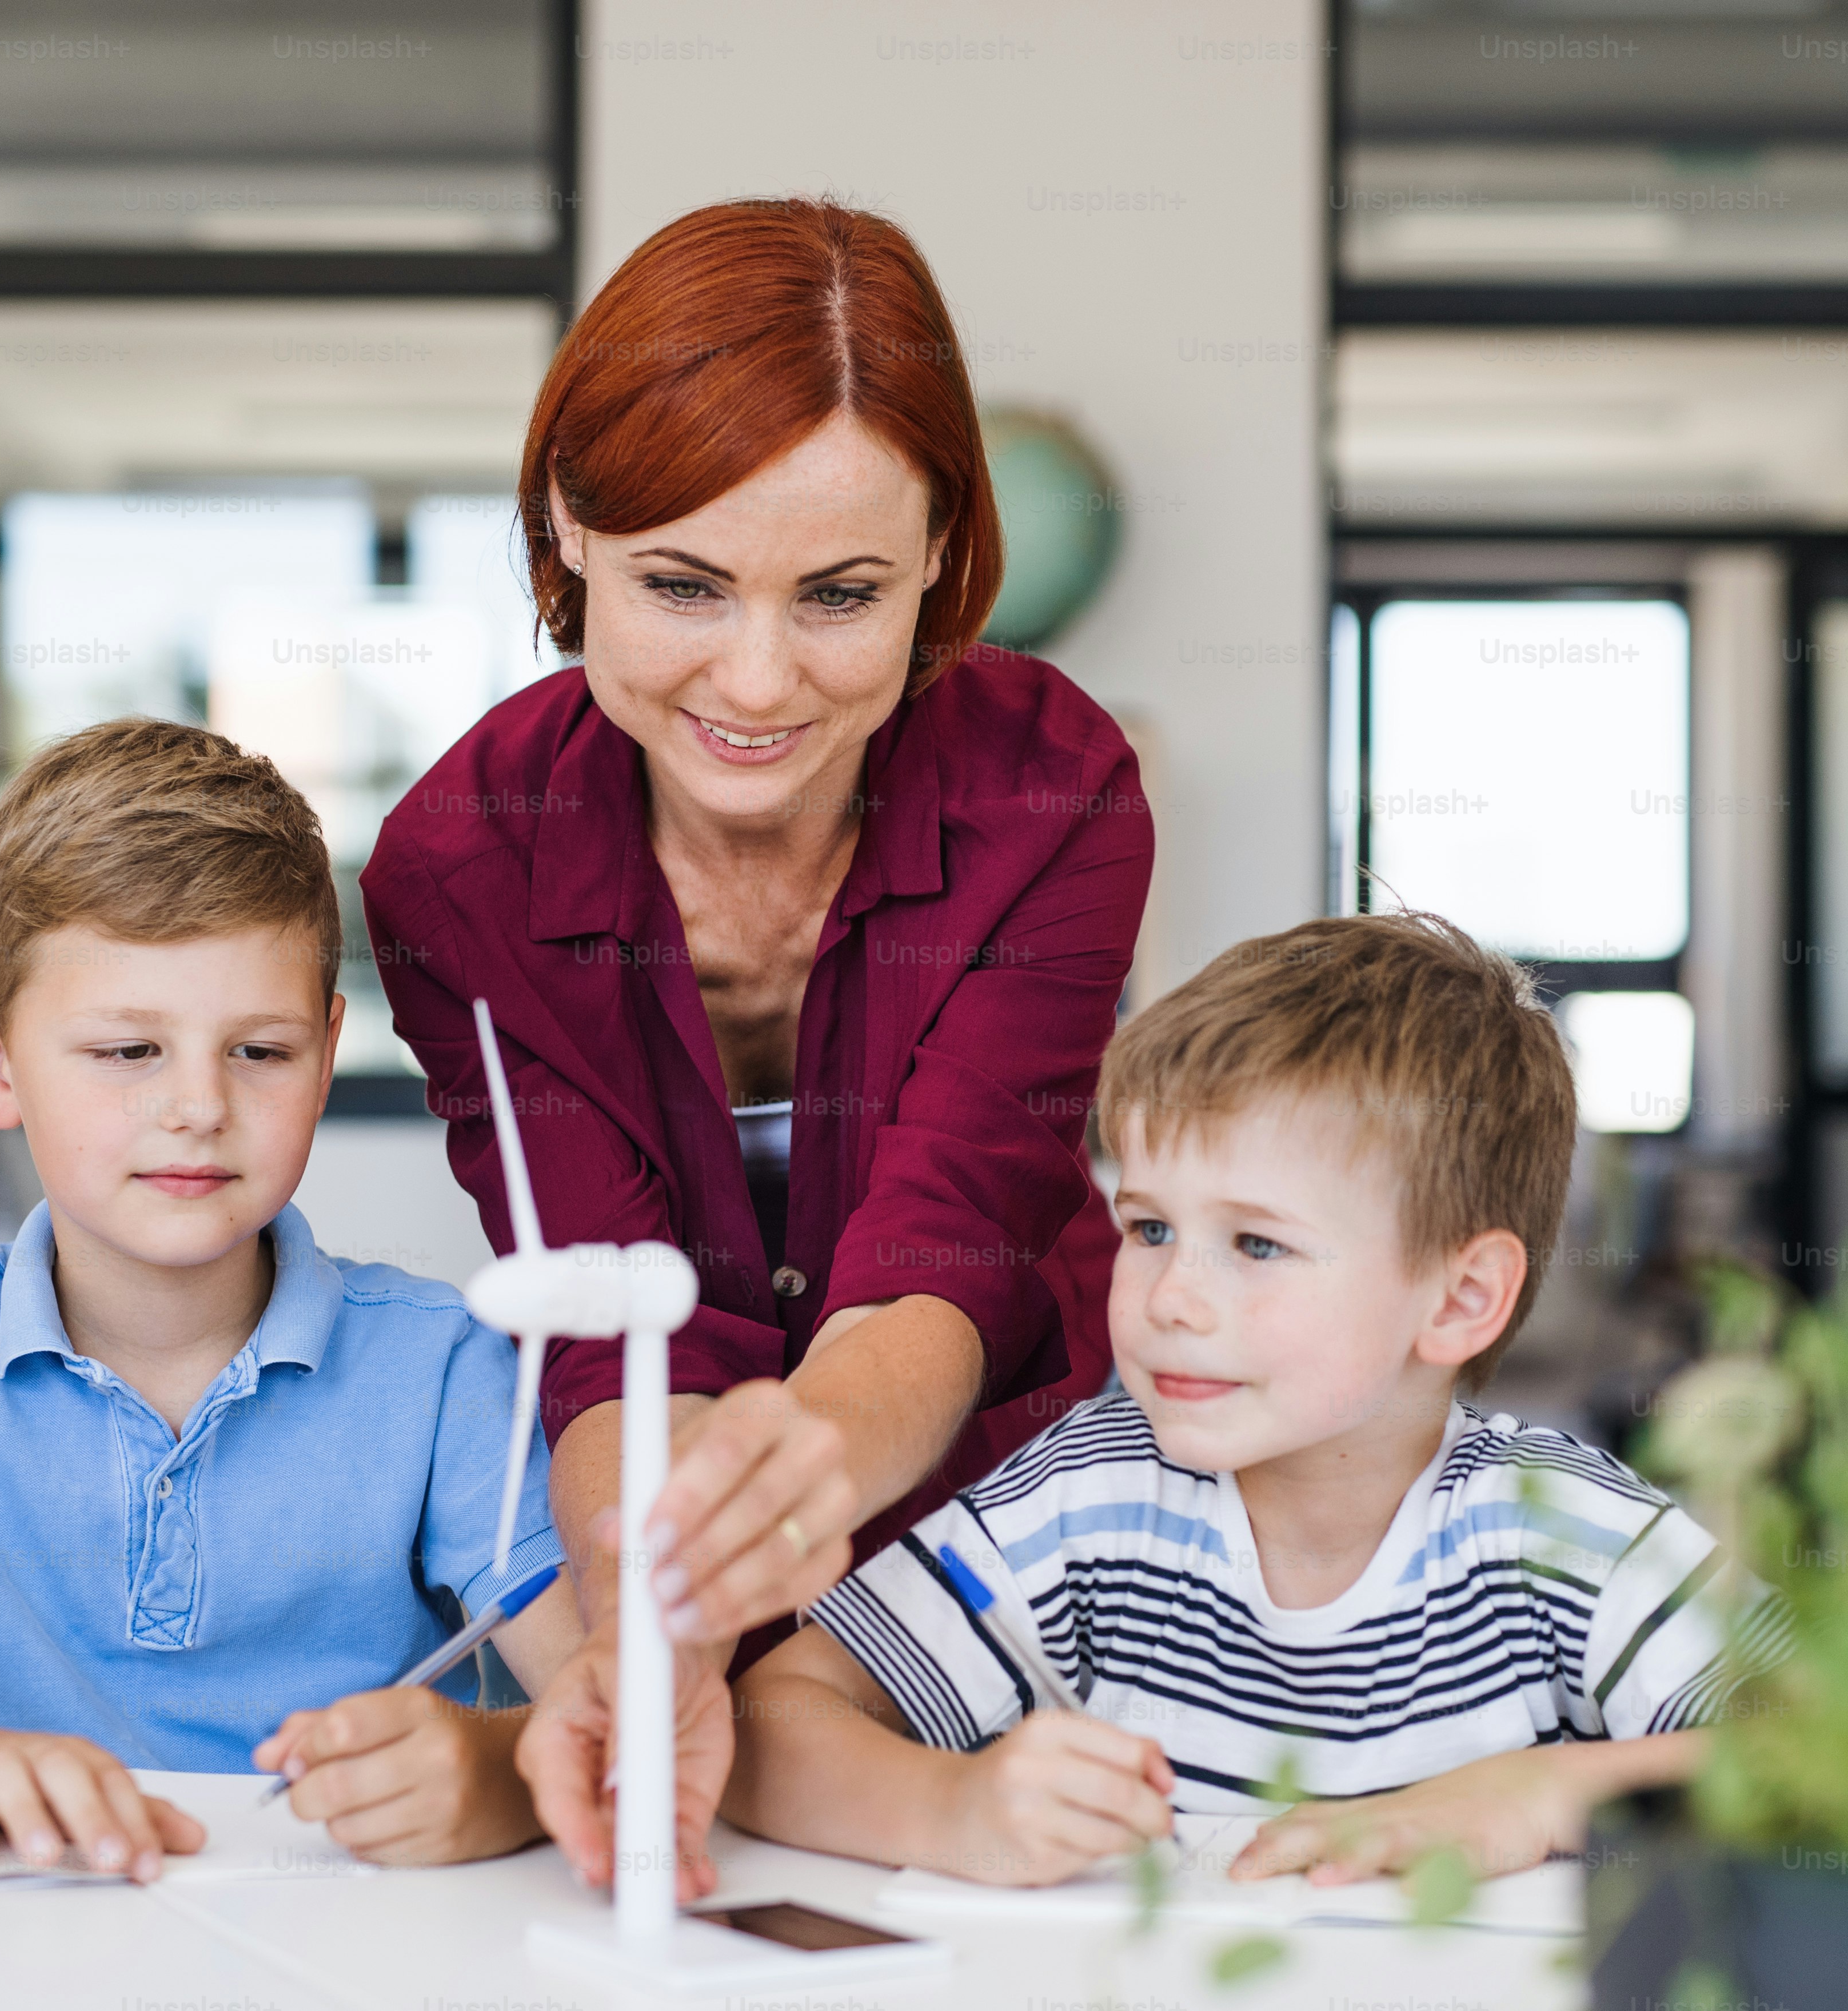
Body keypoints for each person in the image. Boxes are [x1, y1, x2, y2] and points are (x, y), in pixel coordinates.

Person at [360, 197, 1154, 1893]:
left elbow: (955, 1231)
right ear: (569, 532)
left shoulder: (1050, 790)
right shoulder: (459, 869)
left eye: (842, 592)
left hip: (1027, 1523)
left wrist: (790, 1484)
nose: (761, 677)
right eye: (683, 583)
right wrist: (654, 1627)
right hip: (665, 1534)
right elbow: (603, 1315)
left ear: (943, 549)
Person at [0, 720, 579, 1881]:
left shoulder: (441, 1370)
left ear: (327, 1055)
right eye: (128, 1050)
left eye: (258, 1052)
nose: (195, 1107)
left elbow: (621, 1704)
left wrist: (498, 1773)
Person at [721, 915, 1787, 1886]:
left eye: (1258, 1242)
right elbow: (766, 1721)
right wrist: (953, 1805)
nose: (1170, 1298)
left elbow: (1846, 1752)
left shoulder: (1569, 1536)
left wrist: (1540, 1796)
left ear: (1461, 1299)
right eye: (1149, 1229)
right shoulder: (1085, 1498)